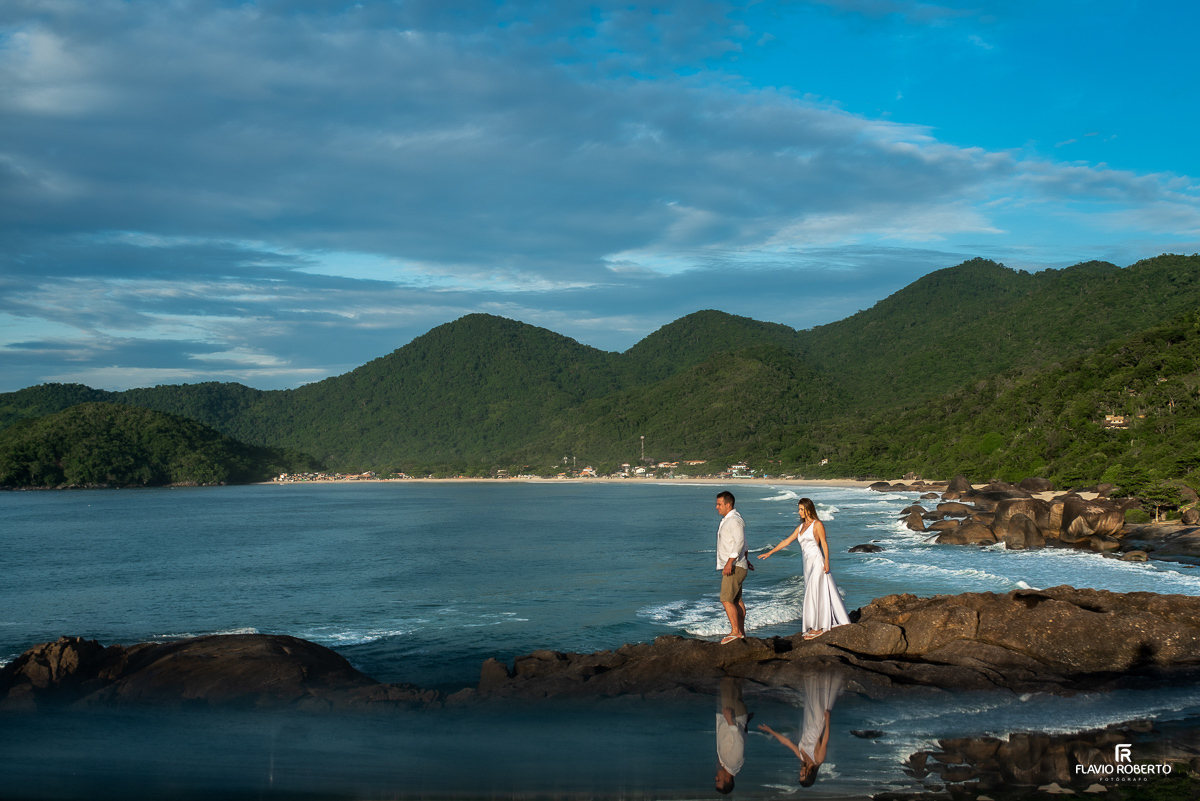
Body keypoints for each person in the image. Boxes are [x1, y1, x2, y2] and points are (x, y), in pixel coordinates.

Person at [757, 497, 849, 640]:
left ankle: (819, 627)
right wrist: (770, 552)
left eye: (801, 509)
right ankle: (814, 625)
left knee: (815, 592)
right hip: (807, 564)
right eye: (798, 509)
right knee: (811, 593)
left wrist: (827, 561)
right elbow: (787, 541)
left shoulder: (817, 524)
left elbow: (824, 543)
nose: (799, 512)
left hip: (817, 562)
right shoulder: (800, 527)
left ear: (808, 509)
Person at [757, 670, 846, 787]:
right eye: (802, 775)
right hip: (817, 724)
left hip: (807, 723)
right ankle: (825, 670)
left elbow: (786, 742)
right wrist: (828, 720)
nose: (800, 773)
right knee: (818, 697)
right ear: (809, 775)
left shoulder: (801, 757)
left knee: (811, 696)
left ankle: (816, 671)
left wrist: (770, 731)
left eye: (800, 775)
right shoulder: (818, 760)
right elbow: (824, 740)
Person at [715, 491, 749, 644]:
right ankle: (741, 631)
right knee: (736, 600)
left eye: (719, 504)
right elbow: (744, 543)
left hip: (734, 566)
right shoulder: (729, 519)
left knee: (726, 599)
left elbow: (739, 542)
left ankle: (735, 631)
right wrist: (746, 559)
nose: (717, 507)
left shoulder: (734, 520)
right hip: (738, 564)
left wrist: (729, 562)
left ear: (728, 505)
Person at [714, 677, 752, 794]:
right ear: (727, 779)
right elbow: (738, 740)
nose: (716, 777)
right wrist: (730, 720)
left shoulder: (729, 765)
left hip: (730, 716)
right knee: (727, 680)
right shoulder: (733, 762)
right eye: (719, 780)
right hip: (733, 715)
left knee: (734, 682)